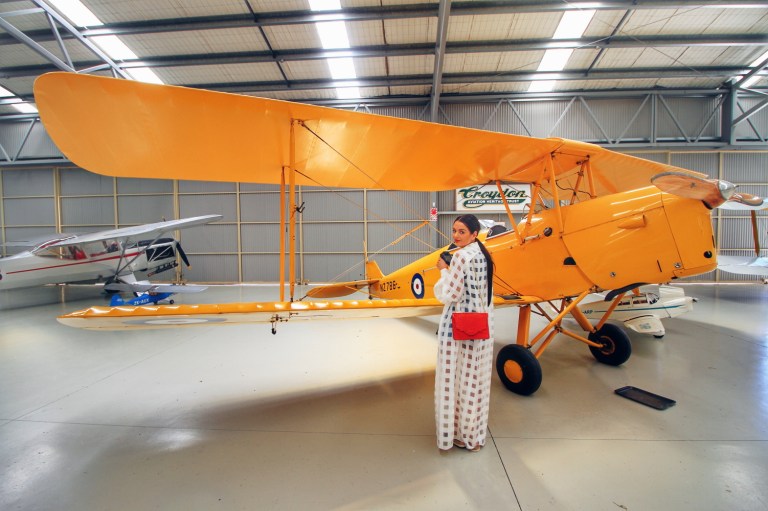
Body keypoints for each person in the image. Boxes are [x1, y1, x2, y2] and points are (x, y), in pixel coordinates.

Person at [433, 214, 495, 452]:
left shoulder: (459, 257)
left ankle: (456, 434)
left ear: (474, 233)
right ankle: (474, 437)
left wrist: (443, 269)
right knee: (474, 381)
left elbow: (449, 295)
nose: (456, 236)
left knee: (454, 381)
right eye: (454, 231)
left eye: (461, 232)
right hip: (480, 324)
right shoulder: (483, 254)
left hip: (457, 325)